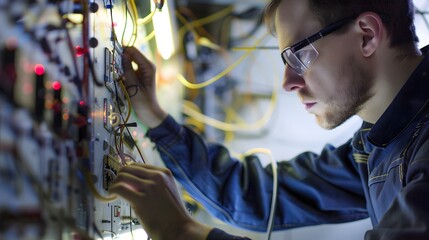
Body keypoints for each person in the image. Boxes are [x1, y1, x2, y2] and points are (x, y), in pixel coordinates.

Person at [109, 0, 429, 239]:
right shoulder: (376, 143)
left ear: (367, 36)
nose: (288, 83)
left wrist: (181, 231)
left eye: (298, 56)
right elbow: (257, 196)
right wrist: (155, 118)